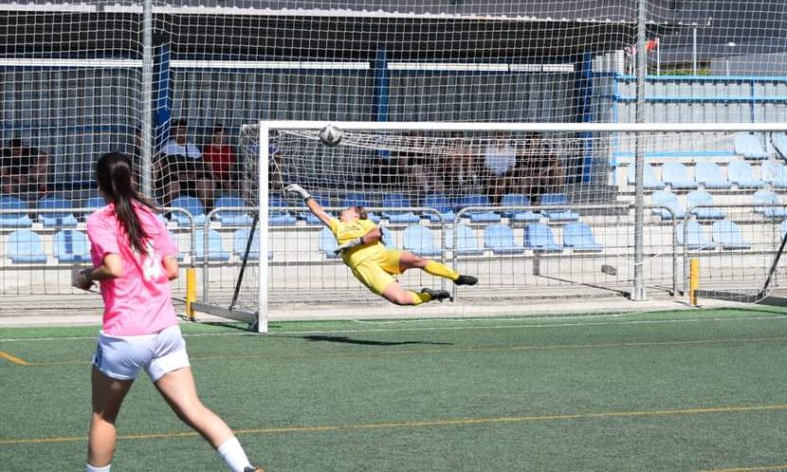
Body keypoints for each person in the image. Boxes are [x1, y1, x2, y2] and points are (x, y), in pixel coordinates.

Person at [73, 152, 262, 472]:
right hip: (165, 330)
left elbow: (114, 267)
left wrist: (86, 277)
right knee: (193, 408)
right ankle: (244, 468)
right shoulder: (149, 215)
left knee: (104, 415)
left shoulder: (100, 219)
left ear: (99, 184)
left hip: (126, 333)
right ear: (131, 178)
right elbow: (172, 270)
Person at [285, 183, 477, 305]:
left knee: (415, 259)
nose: (343, 210)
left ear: (356, 214)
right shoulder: (337, 225)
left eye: (348, 209)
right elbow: (319, 212)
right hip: (364, 266)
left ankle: (456, 277)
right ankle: (430, 295)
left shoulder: (365, 223)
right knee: (400, 299)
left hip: (381, 254)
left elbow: (375, 234)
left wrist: (352, 244)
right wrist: (304, 194)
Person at [155, 119, 214, 208]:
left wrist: (193, 175)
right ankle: (168, 212)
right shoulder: (167, 147)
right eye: (178, 131)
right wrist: (179, 176)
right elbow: (163, 166)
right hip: (174, 177)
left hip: (190, 179)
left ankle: (205, 211)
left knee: (204, 182)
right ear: (173, 132)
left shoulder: (193, 148)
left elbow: (201, 166)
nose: (181, 133)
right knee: (173, 184)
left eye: (183, 130)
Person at [482, 132, 517, 203]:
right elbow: (487, 167)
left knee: (504, 182)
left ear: (505, 138)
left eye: (502, 137)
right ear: (494, 138)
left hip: (505, 175)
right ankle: (496, 205)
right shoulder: (489, 149)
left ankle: (496, 204)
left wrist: (505, 174)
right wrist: (493, 175)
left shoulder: (511, 150)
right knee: (495, 182)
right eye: (498, 137)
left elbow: (512, 166)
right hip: (492, 175)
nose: (500, 139)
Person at [203, 124, 237, 194]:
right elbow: (210, 171)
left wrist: (229, 181)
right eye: (217, 134)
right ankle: (210, 204)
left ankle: (246, 204)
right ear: (213, 135)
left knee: (244, 183)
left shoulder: (229, 149)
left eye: (222, 134)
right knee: (211, 185)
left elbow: (232, 168)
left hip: (228, 180)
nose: (220, 137)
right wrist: (222, 182)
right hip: (215, 180)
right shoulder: (208, 149)